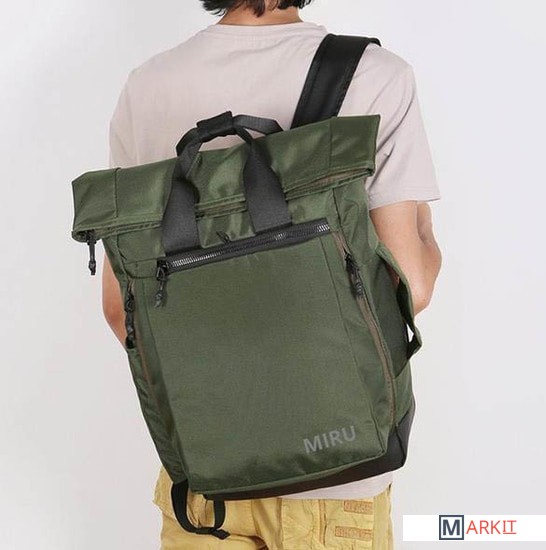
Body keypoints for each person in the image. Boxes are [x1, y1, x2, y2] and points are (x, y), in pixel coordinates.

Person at [101, 0, 443, 547]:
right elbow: (410, 288)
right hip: (337, 477)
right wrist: (424, 233)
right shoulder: (375, 76)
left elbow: (124, 313)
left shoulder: (146, 87)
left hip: (206, 485)